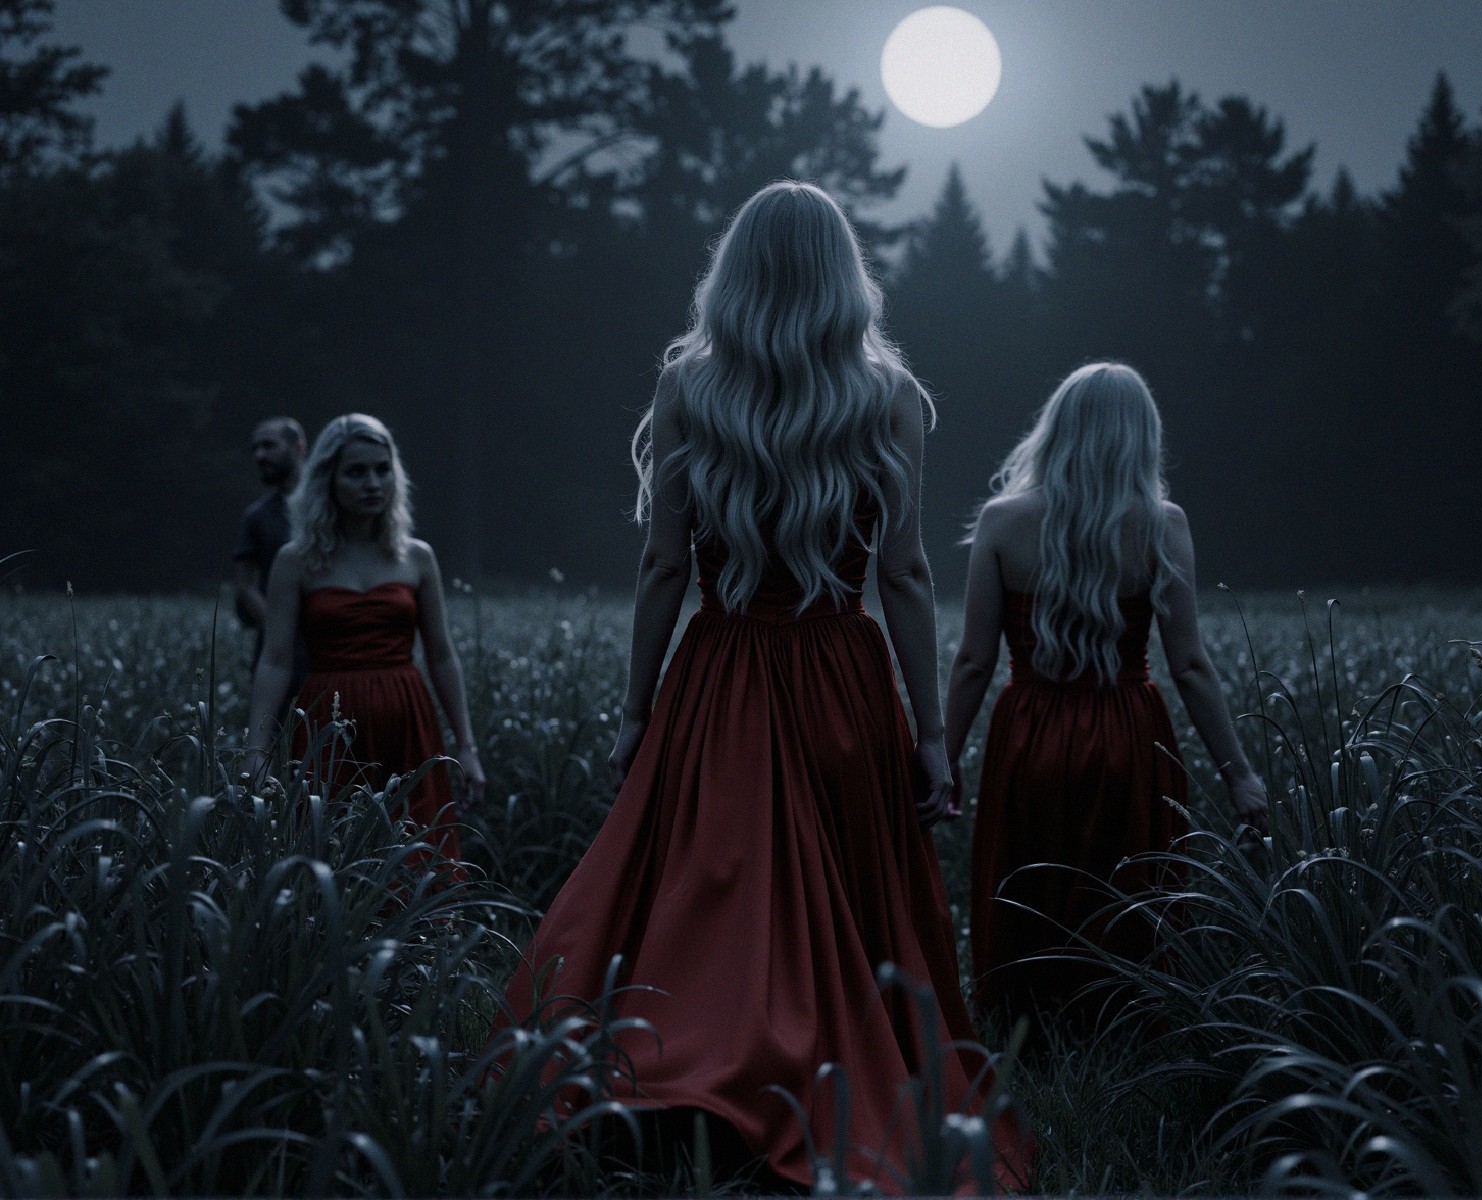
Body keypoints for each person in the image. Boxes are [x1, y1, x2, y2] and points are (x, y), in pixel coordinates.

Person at [495, 182, 1028, 1192]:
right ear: (845, 274)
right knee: (851, 900)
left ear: (733, 271)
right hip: (840, 675)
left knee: (710, 887)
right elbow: (905, 574)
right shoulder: (886, 394)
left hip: (722, 673)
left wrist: (637, 709)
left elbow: (663, 565)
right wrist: (929, 735)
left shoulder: (690, 386)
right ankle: (812, 1079)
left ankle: (678, 1071)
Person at [943, 362, 1269, 1040]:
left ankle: (1023, 1029)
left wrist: (941, 758)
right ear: (1142, 437)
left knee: (1028, 878)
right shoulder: (1162, 525)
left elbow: (974, 661)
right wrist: (1238, 773)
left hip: (1028, 729)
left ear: (1055, 428)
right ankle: (1126, 1028)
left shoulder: (1002, 522)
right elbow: (1189, 665)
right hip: (1129, 729)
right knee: (1129, 883)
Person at [243, 413, 485, 867]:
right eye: (356, 472)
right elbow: (275, 660)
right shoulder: (295, 561)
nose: (372, 483)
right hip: (328, 729)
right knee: (332, 859)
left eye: (381, 469)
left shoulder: (416, 557)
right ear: (327, 479)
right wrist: (256, 750)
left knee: (420, 858)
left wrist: (466, 748)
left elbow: (441, 656)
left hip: (408, 724)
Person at [233, 417, 308, 673]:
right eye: (256, 448)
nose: (260, 455)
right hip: (275, 655)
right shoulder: (256, 517)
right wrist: (280, 629)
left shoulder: (330, 508)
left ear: (298, 447)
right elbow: (246, 586)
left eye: (269, 445)